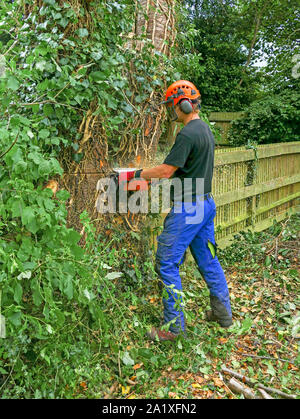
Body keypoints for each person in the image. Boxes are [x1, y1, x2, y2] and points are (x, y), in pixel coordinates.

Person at [127, 80, 232, 341]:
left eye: (173, 106)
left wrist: (137, 174)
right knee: (208, 259)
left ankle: (173, 329)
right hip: (205, 205)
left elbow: (166, 171)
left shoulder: (187, 133)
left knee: (166, 262)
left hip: (188, 208)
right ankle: (223, 315)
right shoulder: (205, 129)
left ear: (183, 104)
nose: (172, 111)